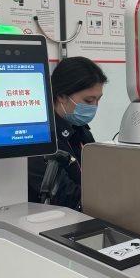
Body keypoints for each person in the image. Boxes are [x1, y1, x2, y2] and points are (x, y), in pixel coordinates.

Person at [28, 56, 107, 210]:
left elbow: (98, 177)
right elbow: (64, 197)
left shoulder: (81, 130)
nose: (95, 106)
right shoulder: (40, 138)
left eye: (98, 99)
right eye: (89, 101)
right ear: (62, 96)